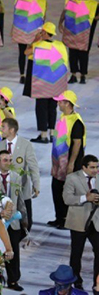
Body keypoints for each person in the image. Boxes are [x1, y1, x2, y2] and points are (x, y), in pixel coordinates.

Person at [0, 150, 27, 291]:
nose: (8, 163)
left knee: (13, 250)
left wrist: (25, 218)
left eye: (10, 160)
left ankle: (14, 280)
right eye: (5, 160)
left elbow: (19, 197)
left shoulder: (16, 176)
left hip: (13, 220)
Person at [23, 22, 68, 144]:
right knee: (52, 107)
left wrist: (34, 39)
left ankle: (43, 135)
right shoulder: (60, 45)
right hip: (55, 81)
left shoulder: (38, 45)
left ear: (43, 32)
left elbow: (26, 52)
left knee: (41, 107)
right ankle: (52, 133)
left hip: (41, 81)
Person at [51, 90, 86, 229]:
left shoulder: (76, 122)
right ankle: (59, 217)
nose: (58, 103)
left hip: (70, 163)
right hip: (59, 162)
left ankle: (66, 220)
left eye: (60, 101)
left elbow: (77, 144)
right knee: (56, 189)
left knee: (67, 192)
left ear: (67, 103)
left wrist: (71, 164)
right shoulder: (63, 117)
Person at [63, 154, 99, 290]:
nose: (95, 170)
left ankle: (97, 282)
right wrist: (86, 198)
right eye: (92, 167)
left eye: (97, 167)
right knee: (76, 253)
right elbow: (67, 198)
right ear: (84, 167)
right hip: (79, 221)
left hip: (96, 222)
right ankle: (76, 280)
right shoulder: (72, 178)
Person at [58, 0, 99, 85]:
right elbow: (65, 12)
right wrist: (60, 23)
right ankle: (73, 74)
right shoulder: (70, 0)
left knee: (83, 54)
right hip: (72, 31)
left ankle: (83, 75)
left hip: (85, 32)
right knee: (72, 53)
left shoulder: (94, 4)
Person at [11, 0, 47, 83]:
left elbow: (43, 17)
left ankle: (33, 75)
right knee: (22, 53)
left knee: (34, 54)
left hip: (35, 31)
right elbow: (16, 16)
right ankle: (22, 75)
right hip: (21, 30)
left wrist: (42, 31)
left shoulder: (42, 1)